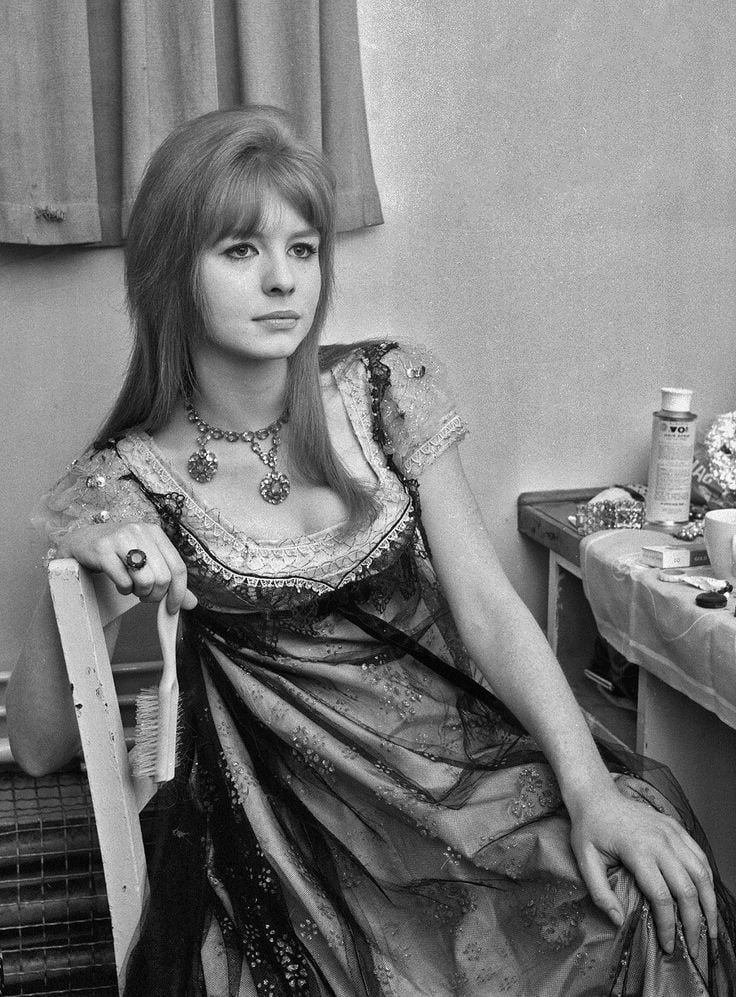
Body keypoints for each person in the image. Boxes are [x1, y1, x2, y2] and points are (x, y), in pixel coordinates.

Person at [7, 106, 736, 997]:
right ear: (171, 269)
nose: (283, 279)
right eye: (240, 250)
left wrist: (592, 792)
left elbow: (489, 610)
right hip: (304, 838)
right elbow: (39, 745)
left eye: (303, 248)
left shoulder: (384, 388)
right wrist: (82, 558)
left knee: (646, 891)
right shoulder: (127, 479)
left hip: (468, 779)